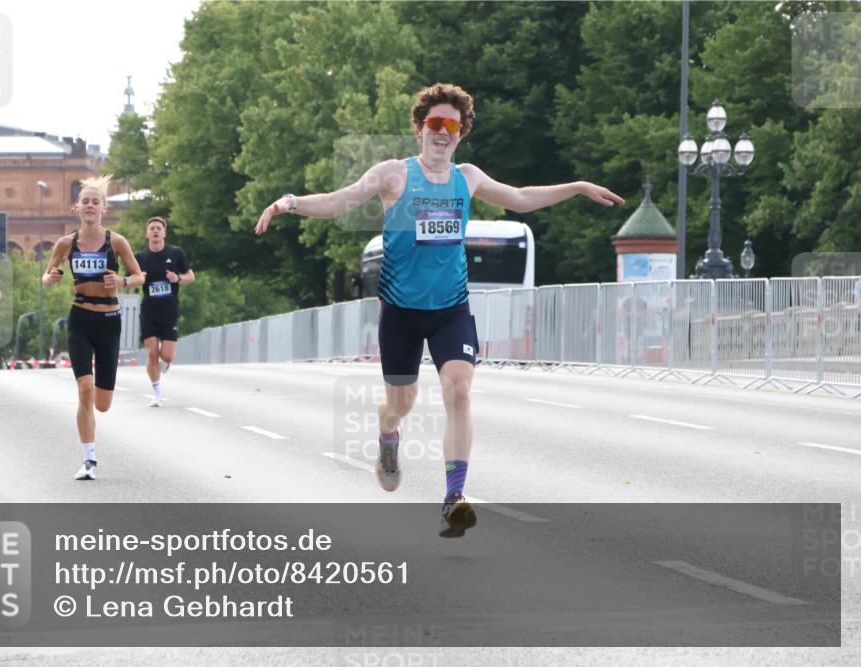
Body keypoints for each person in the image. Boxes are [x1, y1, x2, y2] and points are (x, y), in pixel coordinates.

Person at [255, 83, 624, 538]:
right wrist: (291, 202)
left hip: (451, 308)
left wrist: (578, 187)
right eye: (436, 124)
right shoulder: (393, 175)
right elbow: (340, 201)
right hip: (401, 312)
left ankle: (454, 496)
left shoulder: (466, 177)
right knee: (400, 403)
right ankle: (387, 434)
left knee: (461, 391)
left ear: (461, 133)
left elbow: (522, 197)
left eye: (452, 125)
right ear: (420, 128)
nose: (443, 132)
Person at [42, 175, 144, 480]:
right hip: (81, 319)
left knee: (103, 403)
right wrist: (51, 278)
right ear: (77, 208)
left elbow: (140, 277)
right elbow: (46, 275)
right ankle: (89, 460)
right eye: (84, 201)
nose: (89, 206)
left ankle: (92, 448)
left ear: (104, 209)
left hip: (109, 322)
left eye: (95, 202)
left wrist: (123, 280)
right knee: (84, 390)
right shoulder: (65, 243)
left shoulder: (117, 242)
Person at [131, 217, 195, 407]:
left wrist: (177, 278)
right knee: (152, 353)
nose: (155, 231)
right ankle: (157, 393)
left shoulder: (175, 253)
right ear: (147, 233)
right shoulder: (140, 258)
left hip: (169, 312)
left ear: (164, 233)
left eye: (159, 228)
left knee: (166, 357)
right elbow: (129, 279)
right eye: (152, 228)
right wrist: (138, 277)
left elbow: (191, 276)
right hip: (149, 312)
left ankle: (163, 365)